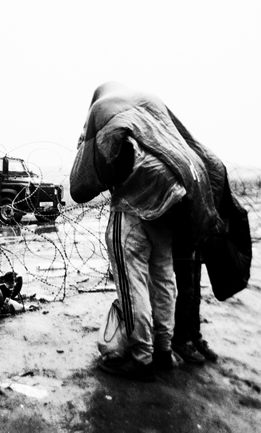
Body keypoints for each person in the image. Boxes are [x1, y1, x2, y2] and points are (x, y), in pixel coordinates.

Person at [70, 81, 248, 380]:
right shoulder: (153, 110)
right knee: (164, 279)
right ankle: (164, 351)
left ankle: (142, 358)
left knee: (132, 284)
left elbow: (81, 184)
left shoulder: (103, 111)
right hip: (169, 205)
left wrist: (85, 142)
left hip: (132, 207)